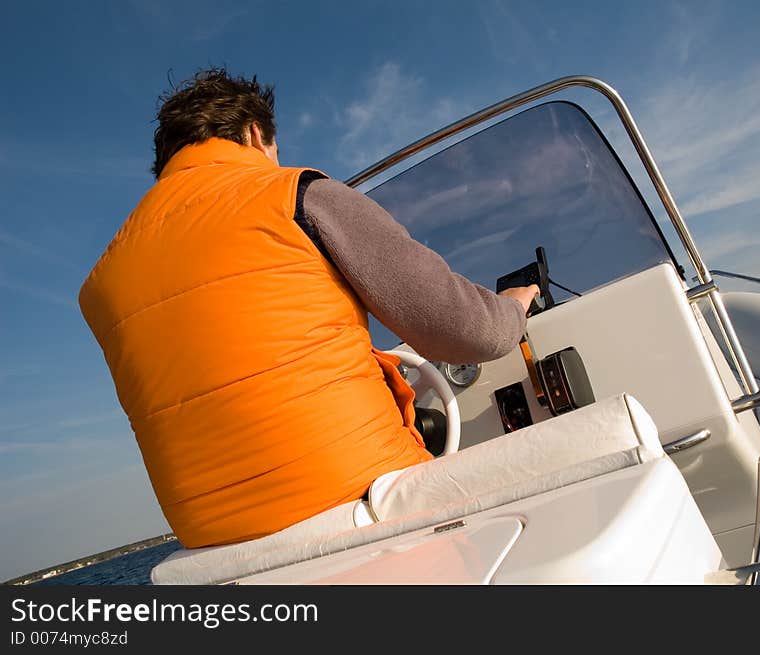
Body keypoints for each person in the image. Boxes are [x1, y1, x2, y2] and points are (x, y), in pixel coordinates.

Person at [78, 68, 538, 549]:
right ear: (256, 134)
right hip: (374, 515)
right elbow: (467, 331)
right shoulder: (294, 195)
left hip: (228, 558)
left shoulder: (103, 281)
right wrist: (514, 306)